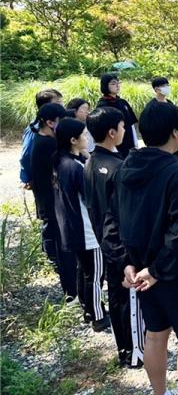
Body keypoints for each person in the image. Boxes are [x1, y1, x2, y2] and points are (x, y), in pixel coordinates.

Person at [105, 101, 178, 395]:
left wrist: (127, 264)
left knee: (155, 335)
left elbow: (112, 221)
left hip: (141, 271)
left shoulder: (123, 169)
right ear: (176, 133)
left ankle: (159, 392)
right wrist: (157, 270)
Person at [84, 107, 145, 368]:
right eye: (121, 127)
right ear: (112, 132)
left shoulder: (90, 162)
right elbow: (123, 214)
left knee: (117, 296)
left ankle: (126, 349)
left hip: (104, 241)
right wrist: (127, 256)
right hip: (121, 246)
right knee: (129, 298)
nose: (124, 131)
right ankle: (134, 353)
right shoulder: (118, 167)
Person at [52, 118, 110, 331]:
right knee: (95, 275)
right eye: (83, 135)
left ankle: (87, 308)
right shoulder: (75, 167)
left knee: (84, 270)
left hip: (69, 227)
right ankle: (97, 315)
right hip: (86, 230)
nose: (87, 138)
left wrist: (85, 156)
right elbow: (90, 198)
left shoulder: (60, 161)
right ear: (73, 140)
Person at [30, 103, 75, 298]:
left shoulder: (42, 139)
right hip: (54, 203)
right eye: (61, 121)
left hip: (50, 201)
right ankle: (71, 291)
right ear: (50, 123)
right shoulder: (48, 144)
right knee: (64, 248)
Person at [19, 89, 64, 189]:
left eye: (62, 102)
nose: (62, 105)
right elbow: (26, 155)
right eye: (58, 102)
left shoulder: (56, 124)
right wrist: (27, 178)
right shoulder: (35, 129)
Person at [97, 73, 139, 156]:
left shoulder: (123, 102)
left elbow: (131, 124)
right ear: (105, 85)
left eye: (118, 83)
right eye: (113, 83)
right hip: (114, 145)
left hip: (129, 142)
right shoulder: (103, 105)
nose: (117, 85)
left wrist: (135, 142)